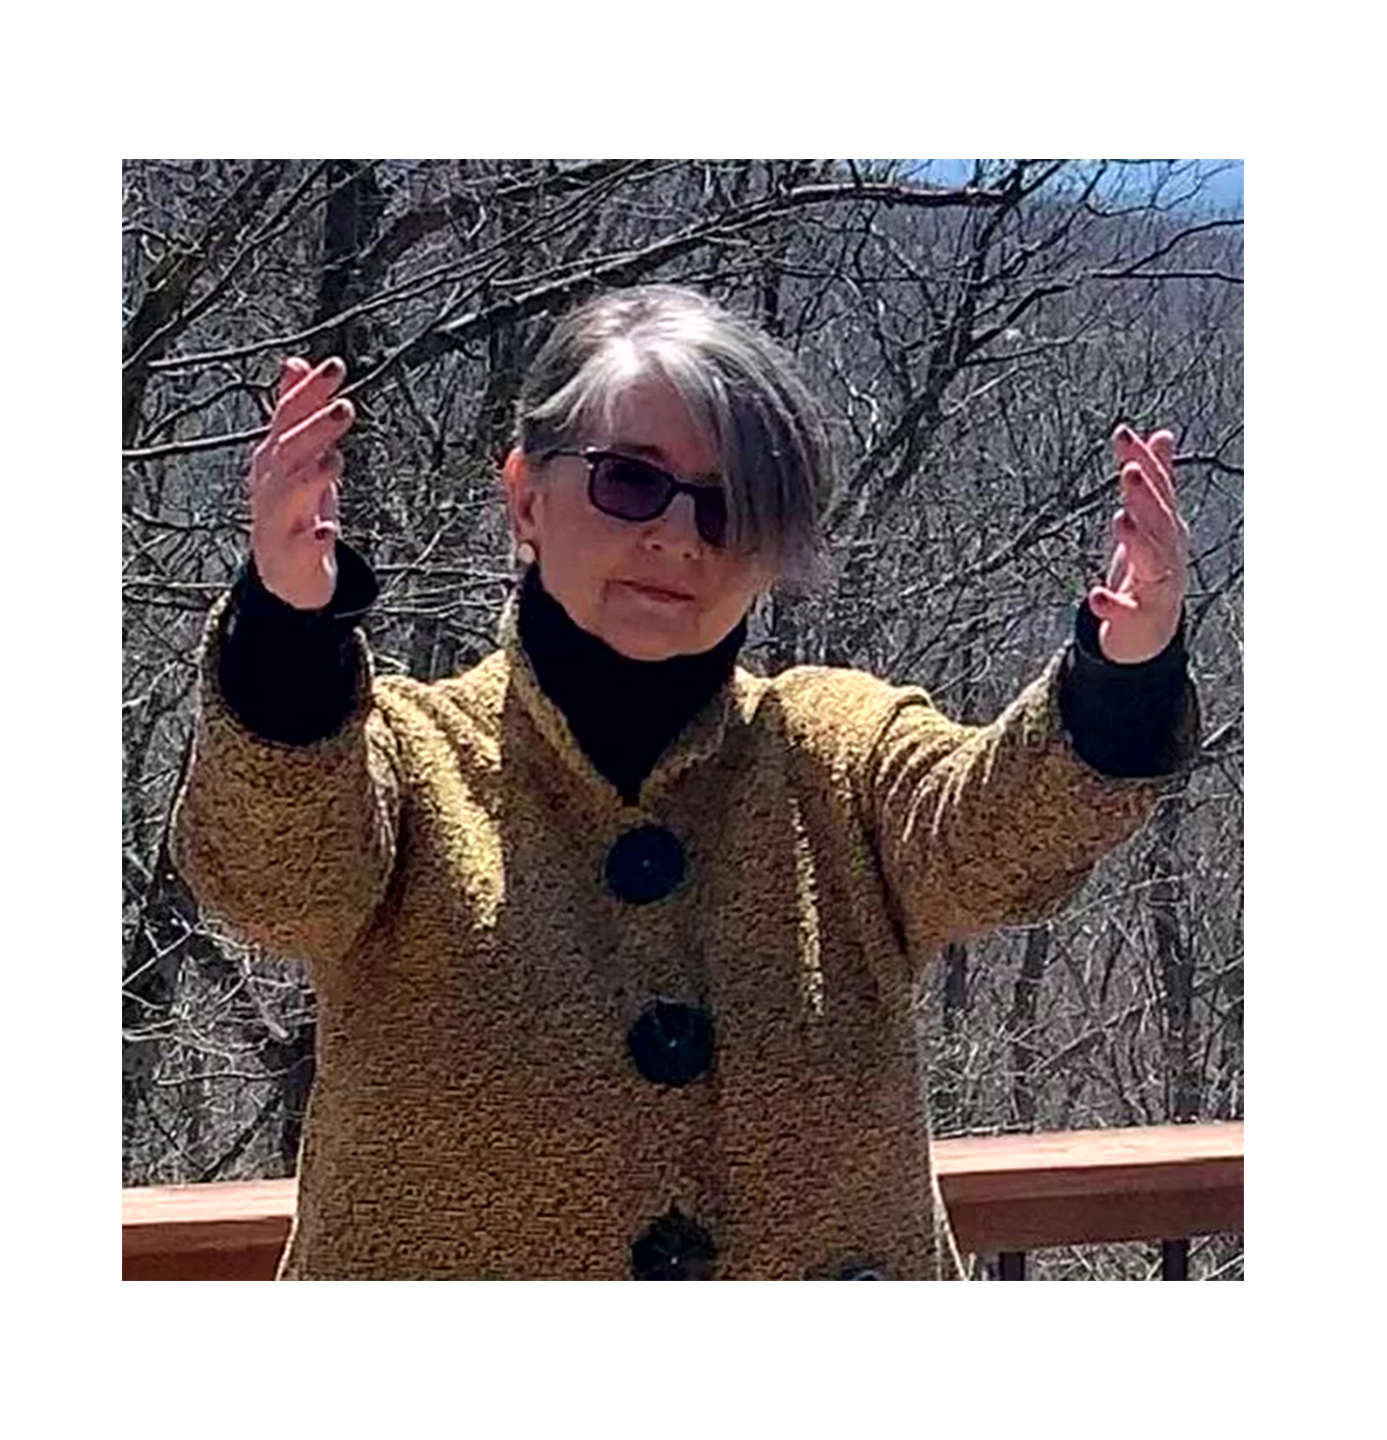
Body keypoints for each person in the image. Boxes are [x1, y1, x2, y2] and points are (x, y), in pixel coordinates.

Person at [170, 284, 1197, 1280]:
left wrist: (1122, 677)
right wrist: (284, 638)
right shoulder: (410, 756)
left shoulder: (834, 754)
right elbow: (278, 878)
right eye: (630, 481)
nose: (676, 535)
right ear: (525, 494)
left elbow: (989, 836)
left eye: (730, 508)